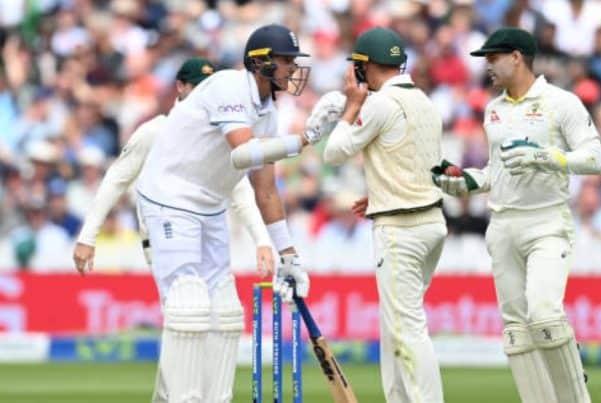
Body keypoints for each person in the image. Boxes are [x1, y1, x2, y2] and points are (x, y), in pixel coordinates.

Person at [131, 24, 326, 402]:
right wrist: (303, 140)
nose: (292, 69)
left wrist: (289, 255)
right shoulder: (227, 86)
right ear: (260, 63)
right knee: (189, 303)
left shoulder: (267, 111)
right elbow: (242, 152)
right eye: (286, 61)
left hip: (210, 205)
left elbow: (266, 189)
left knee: (226, 309)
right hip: (169, 197)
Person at [433, 28, 601, 403]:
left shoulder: (561, 102)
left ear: (516, 57)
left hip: (546, 222)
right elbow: (497, 172)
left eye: (492, 58)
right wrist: (463, 182)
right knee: (516, 333)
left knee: (544, 315)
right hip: (503, 224)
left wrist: (545, 157)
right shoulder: (493, 109)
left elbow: (595, 158)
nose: (487, 66)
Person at [323, 27, 447, 403]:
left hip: (401, 229)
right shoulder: (424, 101)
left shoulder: (378, 103)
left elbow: (334, 152)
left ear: (366, 67)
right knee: (396, 326)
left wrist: (351, 106)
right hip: (429, 222)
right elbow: (415, 162)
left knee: (406, 327)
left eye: (357, 67)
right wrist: (378, 193)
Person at [73, 57, 274, 277]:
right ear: (180, 87)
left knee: (225, 309)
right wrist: (87, 237)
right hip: (165, 234)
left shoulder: (221, 137)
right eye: (197, 86)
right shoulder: (156, 130)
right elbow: (116, 179)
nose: (203, 94)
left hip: (207, 234)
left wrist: (262, 241)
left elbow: (240, 190)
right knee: (185, 303)